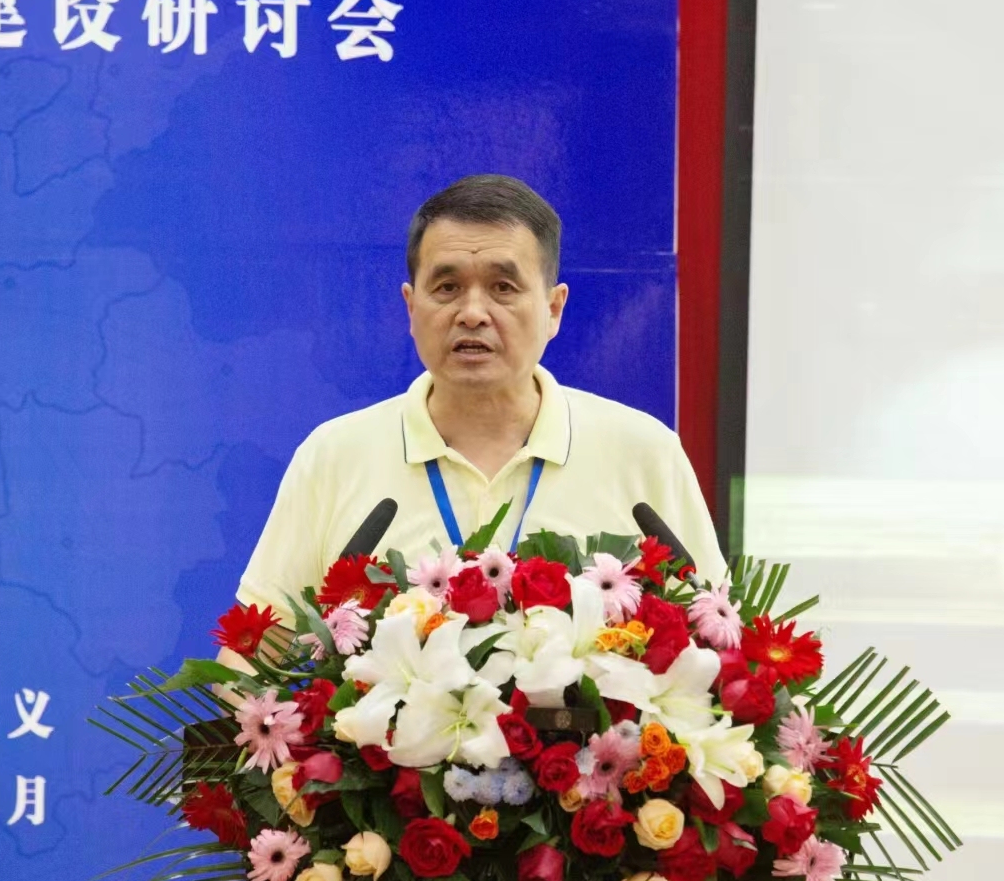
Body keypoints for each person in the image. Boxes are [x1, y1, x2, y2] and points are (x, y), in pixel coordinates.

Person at [235, 174, 725, 620]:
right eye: (447, 287)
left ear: (553, 309)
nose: (472, 313)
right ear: (411, 306)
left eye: (503, 287)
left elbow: (716, 628)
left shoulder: (642, 452)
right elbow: (259, 651)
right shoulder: (334, 456)